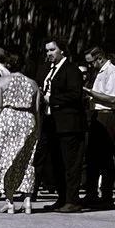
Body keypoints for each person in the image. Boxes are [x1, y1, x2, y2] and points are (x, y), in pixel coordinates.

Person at [36, 39, 89, 210]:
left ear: (62, 51)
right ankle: (62, 197)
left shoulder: (71, 70)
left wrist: (50, 99)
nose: (49, 54)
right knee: (55, 162)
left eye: (52, 50)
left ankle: (73, 200)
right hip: (50, 122)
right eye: (47, 51)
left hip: (69, 124)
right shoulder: (45, 70)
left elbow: (75, 95)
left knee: (70, 163)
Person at [0, 49, 38, 211]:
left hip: (8, 118)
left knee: (6, 158)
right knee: (27, 160)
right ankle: (27, 200)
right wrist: (37, 128)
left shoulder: (2, 82)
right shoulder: (33, 84)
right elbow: (37, 109)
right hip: (28, 119)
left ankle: (10, 201)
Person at [85, 51, 115, 207]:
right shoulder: (101, 72)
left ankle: (107, 195)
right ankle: (92, 193)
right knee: (93, 156)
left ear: (100, 59)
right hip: (97, 114)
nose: (90, 66)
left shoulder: (112, 72)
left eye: (91, 62)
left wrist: (89, 92)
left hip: (107, 115)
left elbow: (112, 98)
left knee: (105, 155)